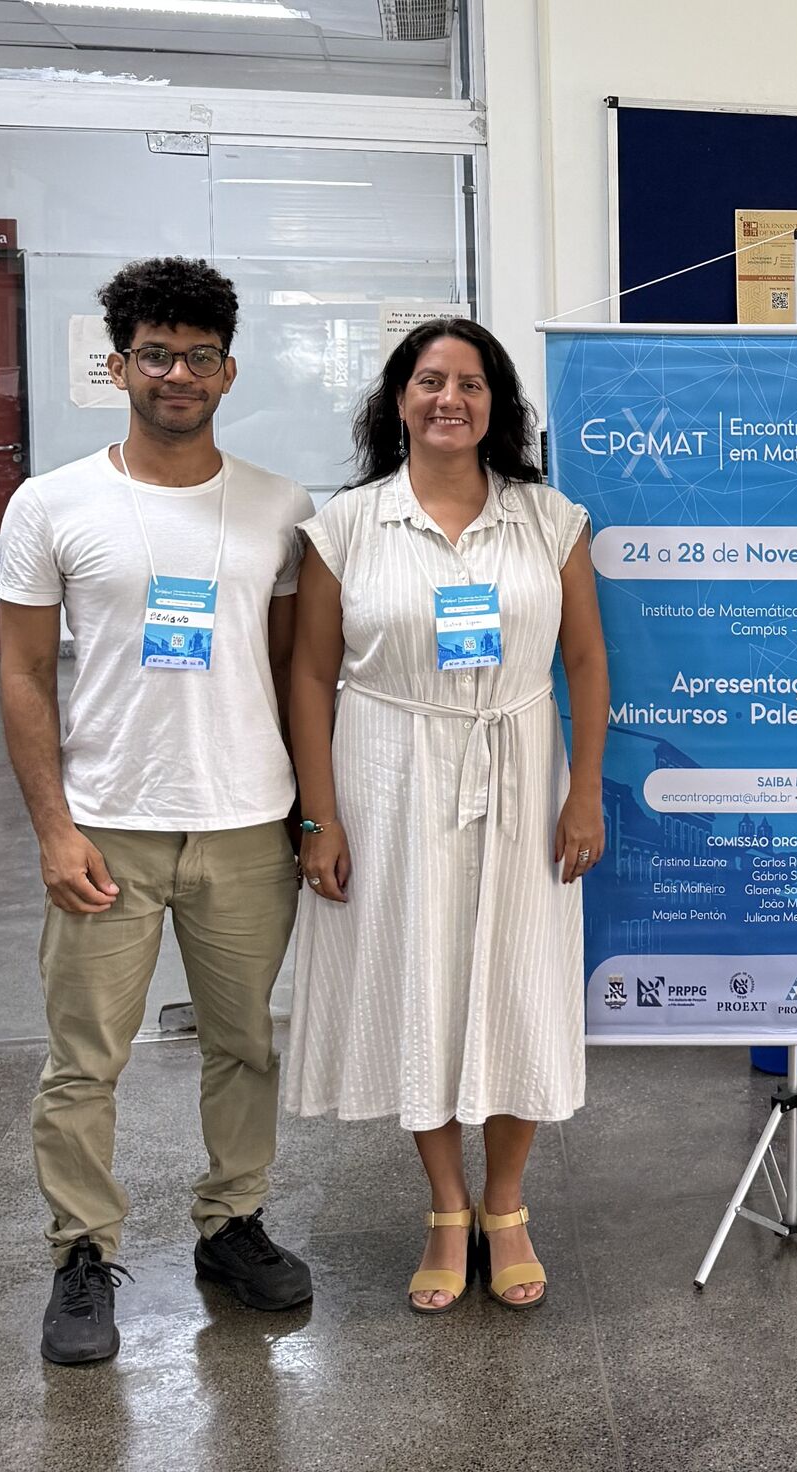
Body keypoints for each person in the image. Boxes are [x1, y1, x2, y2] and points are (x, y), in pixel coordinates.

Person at [0, 258, 317, 1365]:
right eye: (154, 352)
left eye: (198, 355)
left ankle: (233, 1222)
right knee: (85, 1059)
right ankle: (82, 1251)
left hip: (243, 823)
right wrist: (52, 824)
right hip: (109, 823)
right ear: (117, 362)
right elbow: (27, 674)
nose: (176, 372)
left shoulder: (281, 505)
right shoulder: (53, 502)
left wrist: (307, 818)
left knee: (244, 1046)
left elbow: (294, 677)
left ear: (229, 370)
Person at [282, 318, 609, 1314]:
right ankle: (443, 1203)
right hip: (387, 772)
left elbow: (588, 663)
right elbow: (308, 669)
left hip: (519, 768)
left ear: (498, 406)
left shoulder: (550, 519)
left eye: (470, 382)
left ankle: (505, 1204)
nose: (449, 398)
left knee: (516, 979)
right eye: (430, 380)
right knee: (416, 979)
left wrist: (584, 787)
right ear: (397, 399)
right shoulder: (347, 523)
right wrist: (318, 817)